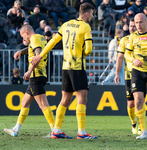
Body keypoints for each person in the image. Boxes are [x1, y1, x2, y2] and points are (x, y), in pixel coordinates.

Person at [31, 3, 97, 139]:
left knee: (65, 99)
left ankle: (56, 130)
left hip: (66, 67)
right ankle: (82, 133)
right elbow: (89, 49)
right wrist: (83, 52)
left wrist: (40, 56)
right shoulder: (85, 26)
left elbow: (52, 42)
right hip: (77, 66)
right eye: (91, 13)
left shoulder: (66, 24)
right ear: (86, 13)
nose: (92, 16)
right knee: (82, 99)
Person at [4, 24, 55, 137]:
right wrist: (21, 51)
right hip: (40, 74)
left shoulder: (34, 38)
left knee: (43, 104)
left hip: (36, 74)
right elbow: (33, 48)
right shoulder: (40, 37)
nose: (23, 39)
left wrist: (29, 71)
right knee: (24, 103)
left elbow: (37, 54)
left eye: (23, 36)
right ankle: (16, 129)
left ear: (26, 33)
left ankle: (55, 131)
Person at [114, 18, 140, 135]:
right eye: (131, 26)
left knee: (139, 101)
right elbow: (120, 57)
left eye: (134, 26)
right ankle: (134, 123)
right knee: (130, 103)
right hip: (129, 75)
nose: (132, 28)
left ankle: (141, 126)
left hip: (141, 74)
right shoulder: (124, 40)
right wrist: (116, 73)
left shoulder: (142, 39)